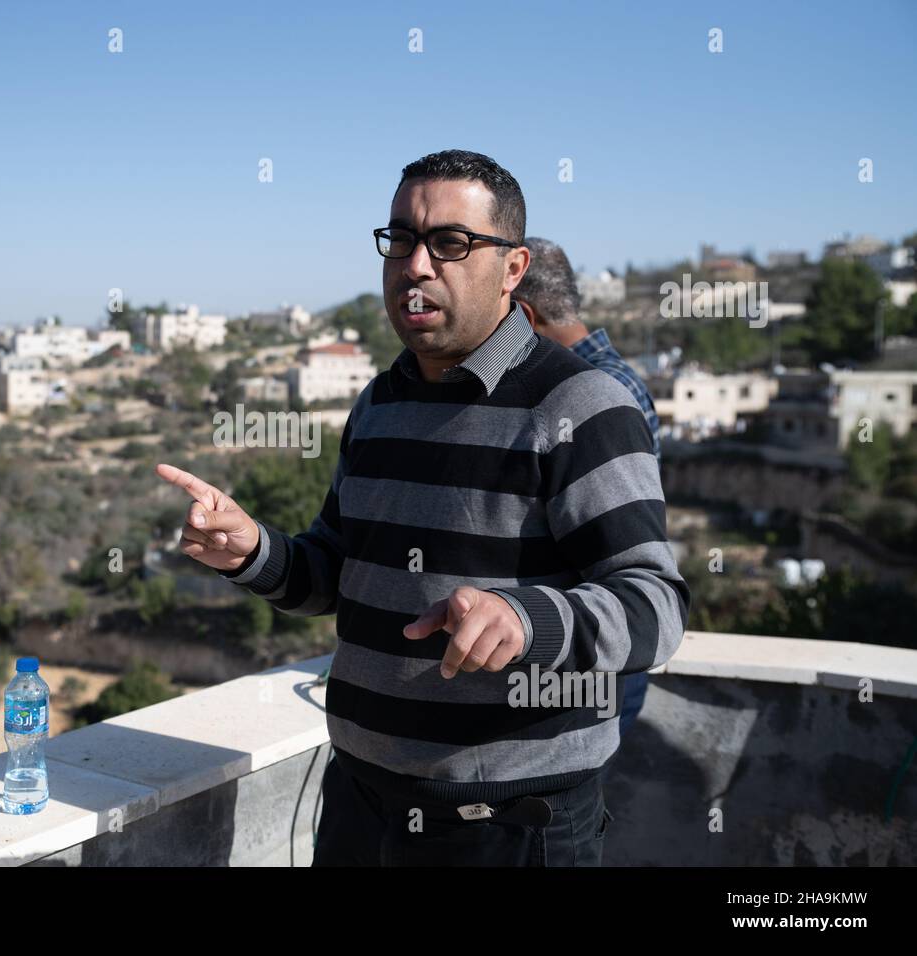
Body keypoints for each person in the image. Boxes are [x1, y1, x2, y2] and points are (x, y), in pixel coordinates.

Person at [156, 149, 689, 866]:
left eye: (451, 243)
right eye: (401, 239)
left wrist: (526, 619)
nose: (415, 265)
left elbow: (656, 607)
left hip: (505, 829)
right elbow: (337, 573)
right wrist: (252, 551)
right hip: (359, 807)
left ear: (513, 268)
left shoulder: (583, 406)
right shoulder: (380, 404)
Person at [513, 237, 662, 740]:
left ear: (525, 318)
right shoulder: (620, 378)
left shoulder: (591, 392)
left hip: (591, 658)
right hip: (593, 649)